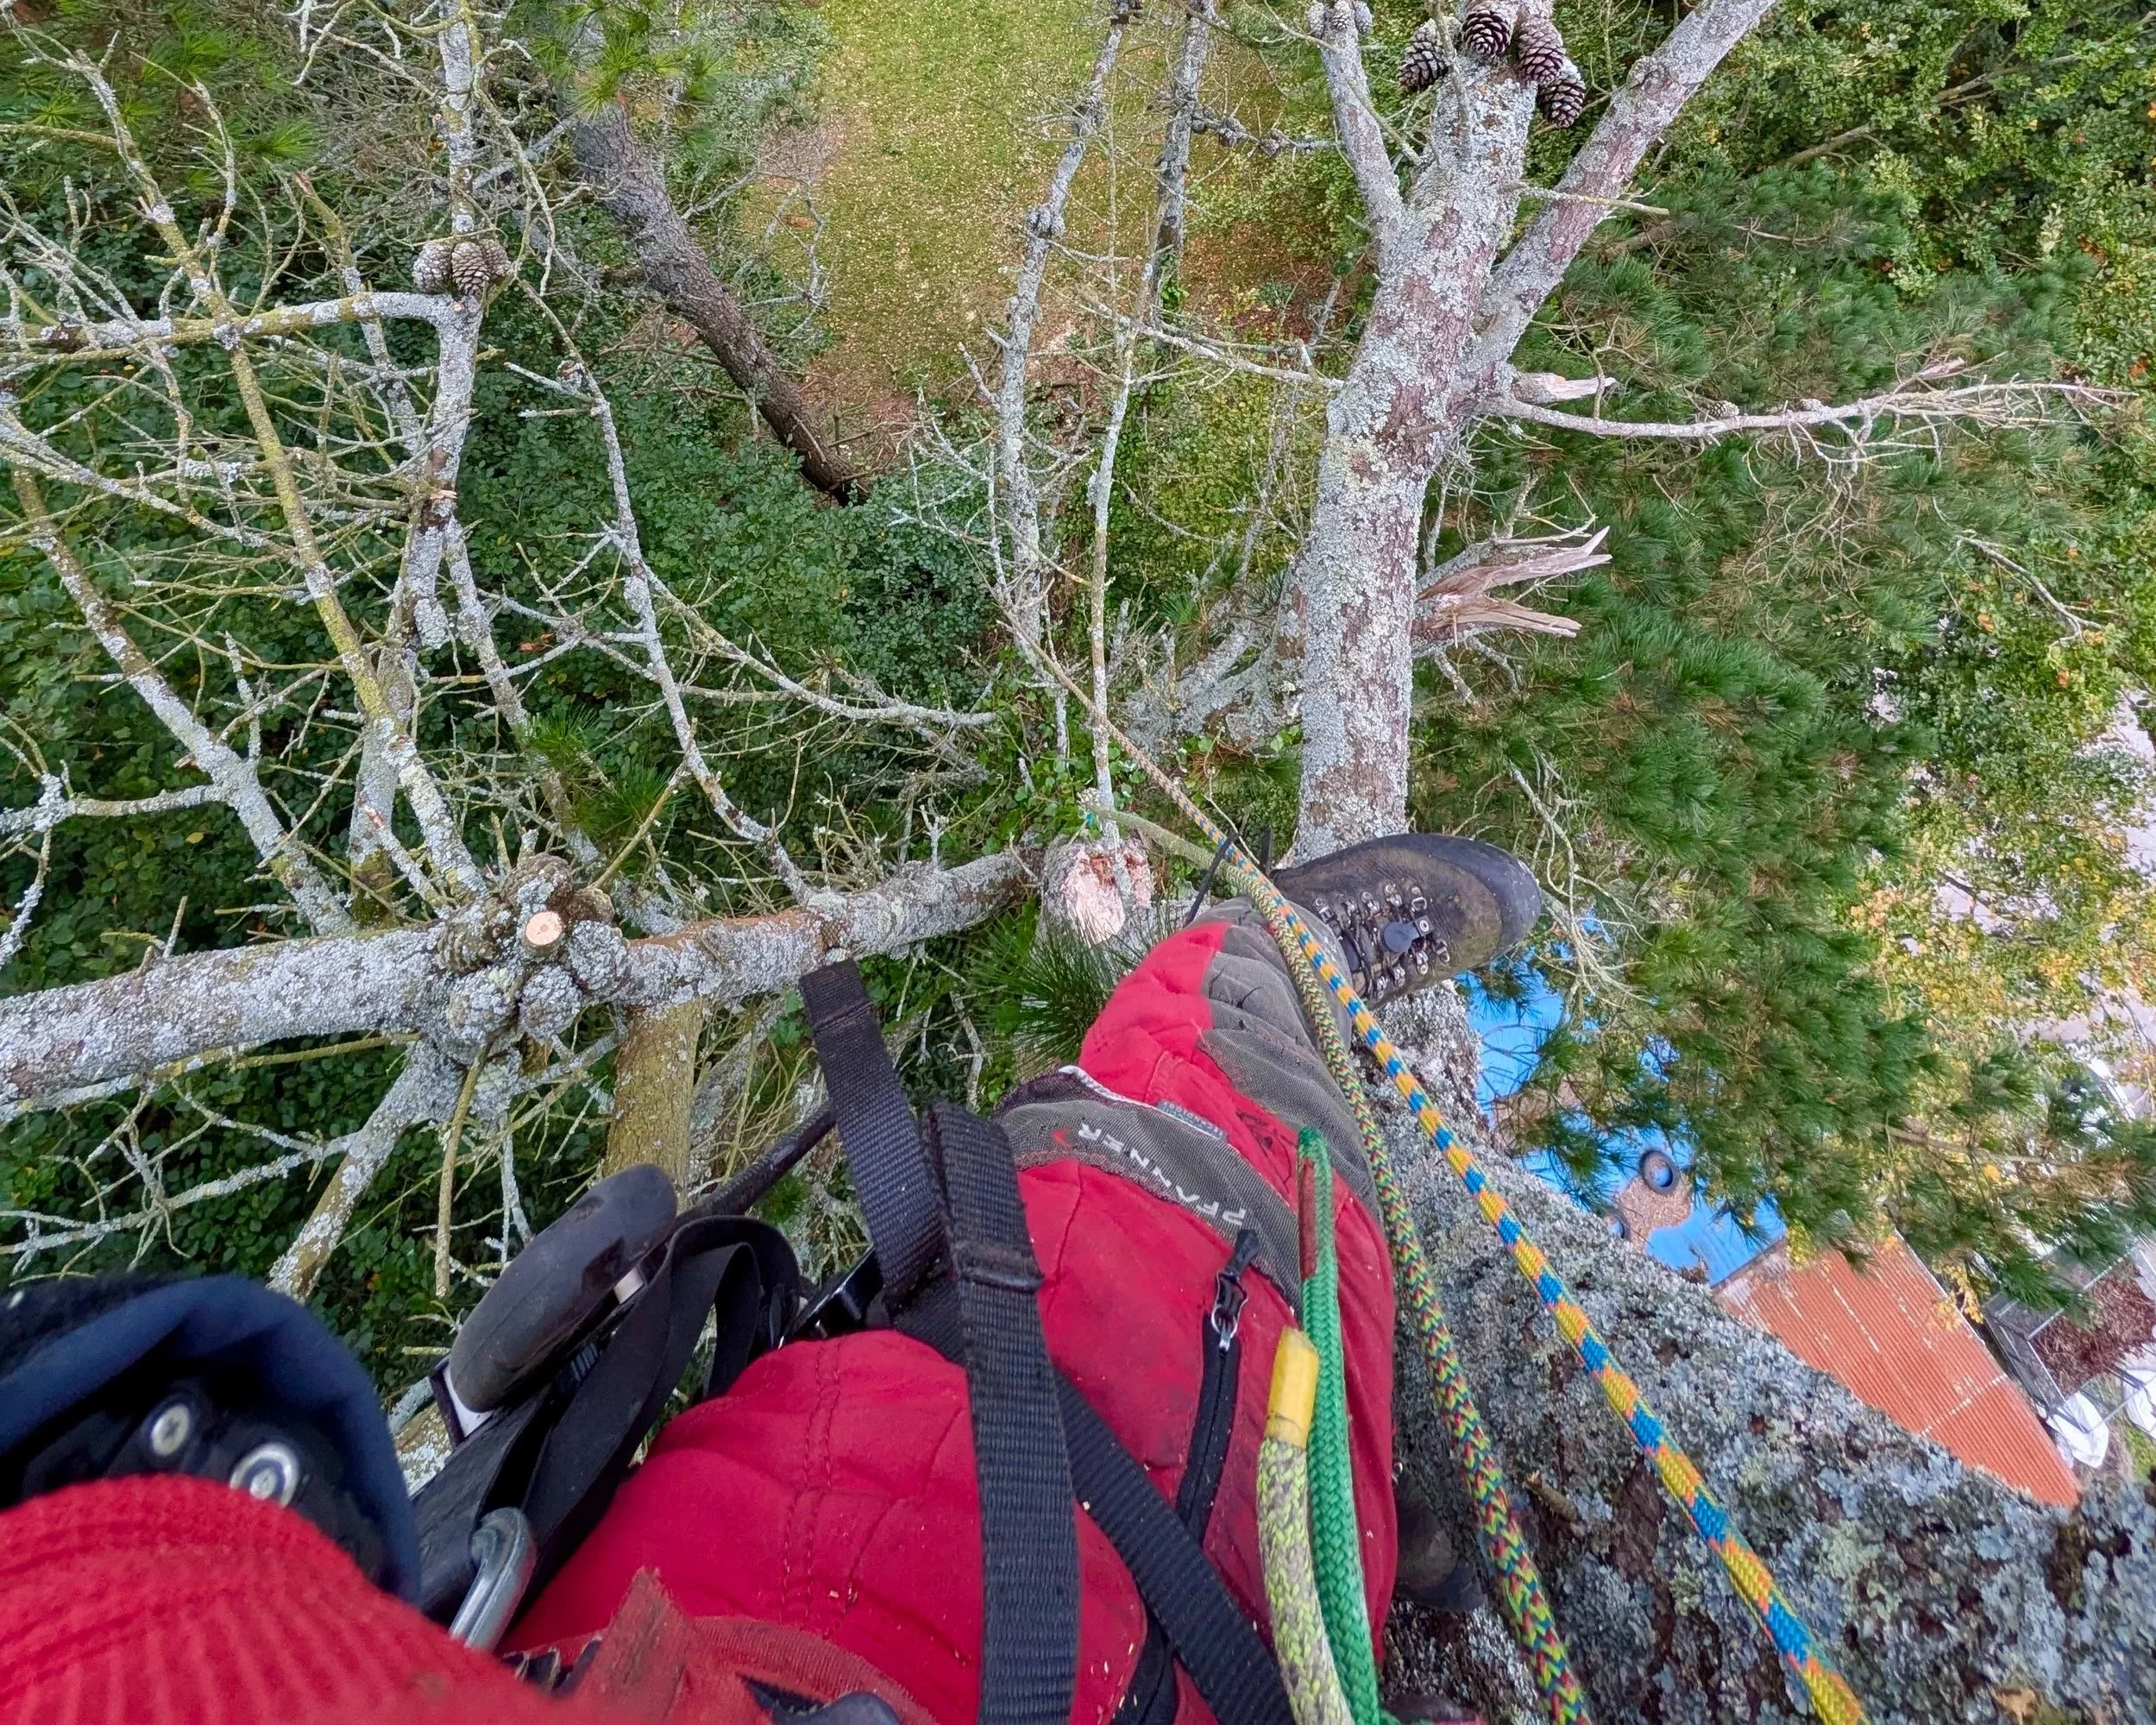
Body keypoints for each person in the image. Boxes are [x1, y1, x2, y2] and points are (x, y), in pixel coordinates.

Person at [0, 833, 1538, 1725]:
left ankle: (1247, 969)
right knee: (1205, 1193)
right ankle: (1246, 972)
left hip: (738, 1587)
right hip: (877, 1578)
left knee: (1132, 1221)